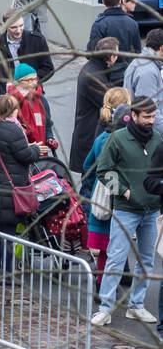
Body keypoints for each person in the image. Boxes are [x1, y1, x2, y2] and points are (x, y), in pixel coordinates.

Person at [90, 97, 161, 328]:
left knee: (146, 260)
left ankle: (136, 305)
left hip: (151, 211)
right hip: (126, 210)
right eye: (147, 117)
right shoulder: (117, 139)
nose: (152, 121)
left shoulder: (158, 139)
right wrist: (124, 191)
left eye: (154, 116)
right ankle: (106, 308)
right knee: (116, 259)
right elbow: (103, 170)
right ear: (135, 115)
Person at [0, 93, 50, 271]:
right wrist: (35, 148)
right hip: (10, 192)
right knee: (9, 234)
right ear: (10, 110)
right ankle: (6, 271)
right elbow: (25, 156)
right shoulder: (12, 130)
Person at [82, 87, 131, 277]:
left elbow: (88, 166)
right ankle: (110, 281)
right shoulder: (123, 140)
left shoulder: (102, 138)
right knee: (117, 240)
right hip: (117, 196)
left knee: (105, 245)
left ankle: (105, 280)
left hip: (101, 195)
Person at [71, 37, 120, 173]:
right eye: (116, 54)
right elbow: (111, 101)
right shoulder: (94, 76)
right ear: (110, 57)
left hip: (89, 131)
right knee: (90, 179)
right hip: (90, 134)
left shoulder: (95, 68)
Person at [0, 9, 54, 97]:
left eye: (21, 25)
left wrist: (30, 82)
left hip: (33, 94)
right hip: (7, 98)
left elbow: (48, 68)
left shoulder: (37, 40)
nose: (19, 30)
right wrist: (2, 94)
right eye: (13, 27)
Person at [87, 0, 141, 86]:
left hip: (105, 77)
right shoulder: (132, 23)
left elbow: (92, 53)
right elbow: (137, 52)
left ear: (103, 1)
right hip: (126, 75)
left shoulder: (100, 24)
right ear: (121, 1)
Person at [125, 28, 163, 133]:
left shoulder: (140, 62)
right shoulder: (148, 72)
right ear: (161, 48)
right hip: (147, 134)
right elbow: (147, 111)